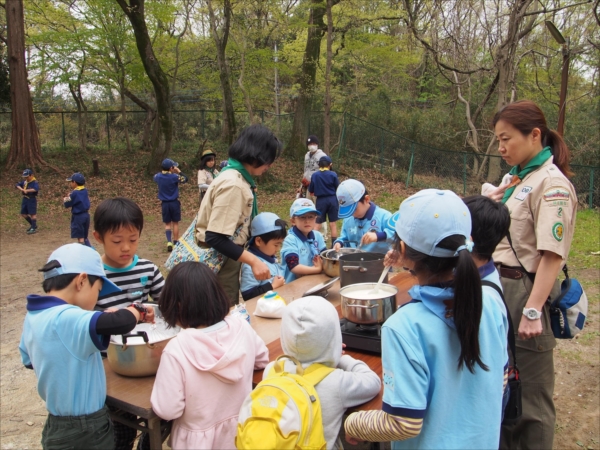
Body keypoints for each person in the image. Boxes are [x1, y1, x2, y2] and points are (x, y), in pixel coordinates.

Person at [344, 189, 508, 449]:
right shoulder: (490, 300)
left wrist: (353, 423)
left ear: (403, 250)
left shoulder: (404, 326)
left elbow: (403, 423)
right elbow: (502, 377)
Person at [484, 100, 577, 450]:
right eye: (498, 140)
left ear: (534, 135)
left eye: (506, 138)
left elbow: (550, 255)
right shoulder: (519, 178)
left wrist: (534, 309)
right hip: (500, 288)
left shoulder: (551, 185)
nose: (501, 147)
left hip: (525, 291)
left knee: (532, 399)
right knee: (507, 385)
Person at [19, 243, 155, 450]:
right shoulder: (67, 317)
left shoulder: (34, 317)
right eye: (98, 290)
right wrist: (138, 309)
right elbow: (122, 322)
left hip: (57, 423)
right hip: (85, 428)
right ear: (82, 281)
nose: (97, 298)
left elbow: (30, 361)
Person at [151, 261, 269, 449]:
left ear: (177, 305)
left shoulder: (176, 349)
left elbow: (167, 409)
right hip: (242, 435)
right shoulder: (240, 327)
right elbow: (262, 359)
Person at [92, 197, 165, 450]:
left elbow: (166, 301)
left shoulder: (147, 269)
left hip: (146, 356)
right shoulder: (93, 275)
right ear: (98, 237)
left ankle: (149, 443)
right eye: (117, 241)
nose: (126, 248)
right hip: (108, 364)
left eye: (133, 240)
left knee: (160, 415)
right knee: (122, 429)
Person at [262, 296, 381, 449]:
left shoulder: (272, 370)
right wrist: (339, 357)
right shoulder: (336, 383)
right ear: (334, 336)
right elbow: (373, 382)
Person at [195, 124, 282, 304]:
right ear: (258, 154)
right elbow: (215, 237)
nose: (270, 165)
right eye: (269, 159)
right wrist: (254, 261)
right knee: (222, 311)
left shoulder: (234, 175)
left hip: (226, 258)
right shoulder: (234, 184)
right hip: (219, 263)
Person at [333, 179, 394, 254]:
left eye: (354, 209)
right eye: (348, 211)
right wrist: (339, 242)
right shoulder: (348, 219)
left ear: (366, 199)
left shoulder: (383, 216)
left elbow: (397, 235)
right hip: (356, 263)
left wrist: (379, 236)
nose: (352, 214)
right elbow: (344, 237)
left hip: (380, 263)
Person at [240, 212, 287, 301]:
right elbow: (248, 295)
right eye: (276, 245)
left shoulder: (269, 256)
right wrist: (272, 286)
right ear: (258, 241)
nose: (278, 249)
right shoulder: (251, 266)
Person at [281, 198, 327, 283]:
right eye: (302, 217)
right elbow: (293, 266)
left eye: (311, 217)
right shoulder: (290, 239)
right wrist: (316, 269)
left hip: (314, 281)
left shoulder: (318, 236)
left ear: (315, 218)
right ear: (293, 221)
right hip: (293, 286)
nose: (307, 221)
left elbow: (325, 257)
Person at [153, 158, 188, 252]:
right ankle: (175, 241)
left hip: (164, 204)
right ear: (171, 168)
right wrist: (179, 171)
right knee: (175, 223)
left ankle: (169, 242)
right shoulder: (174, 177)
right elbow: (185, 179)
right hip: (174, 202)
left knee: (167, 224)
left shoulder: (158, 177)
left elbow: (155, 177)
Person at [309, 155, 339, 245]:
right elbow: (338, 187)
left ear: (319, 165)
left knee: (317, 223)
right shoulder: (333, 174)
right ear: (330, 164)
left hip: (320, 201)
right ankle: (334, 246)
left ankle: (313, 244)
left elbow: (311, 190)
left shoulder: (315, 175)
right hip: (332, 200)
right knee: (333, 224)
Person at [63, 172, 91, 247]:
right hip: (86, 215)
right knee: (85, 237)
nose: (70, 184)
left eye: (71, 182)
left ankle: (83, 253)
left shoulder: (74, 193)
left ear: (74, 182)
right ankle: (91, 250)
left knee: (80, 238)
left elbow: (67, 204)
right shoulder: (85, 190)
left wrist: (66, 198)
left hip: (78, 217)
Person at [15, 168, 39, 234]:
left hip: (31, 199)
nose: (26, 178)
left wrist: (27, 190)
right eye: (25, 177)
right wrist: (22, 189)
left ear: (31, 175)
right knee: (23, 213)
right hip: (25, 199)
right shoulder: (25, 182)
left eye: (27, 176)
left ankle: (33, 228)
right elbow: (17, 185)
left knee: (32, 214)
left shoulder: (34, 182)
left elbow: (36, 189)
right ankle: (33, 225)